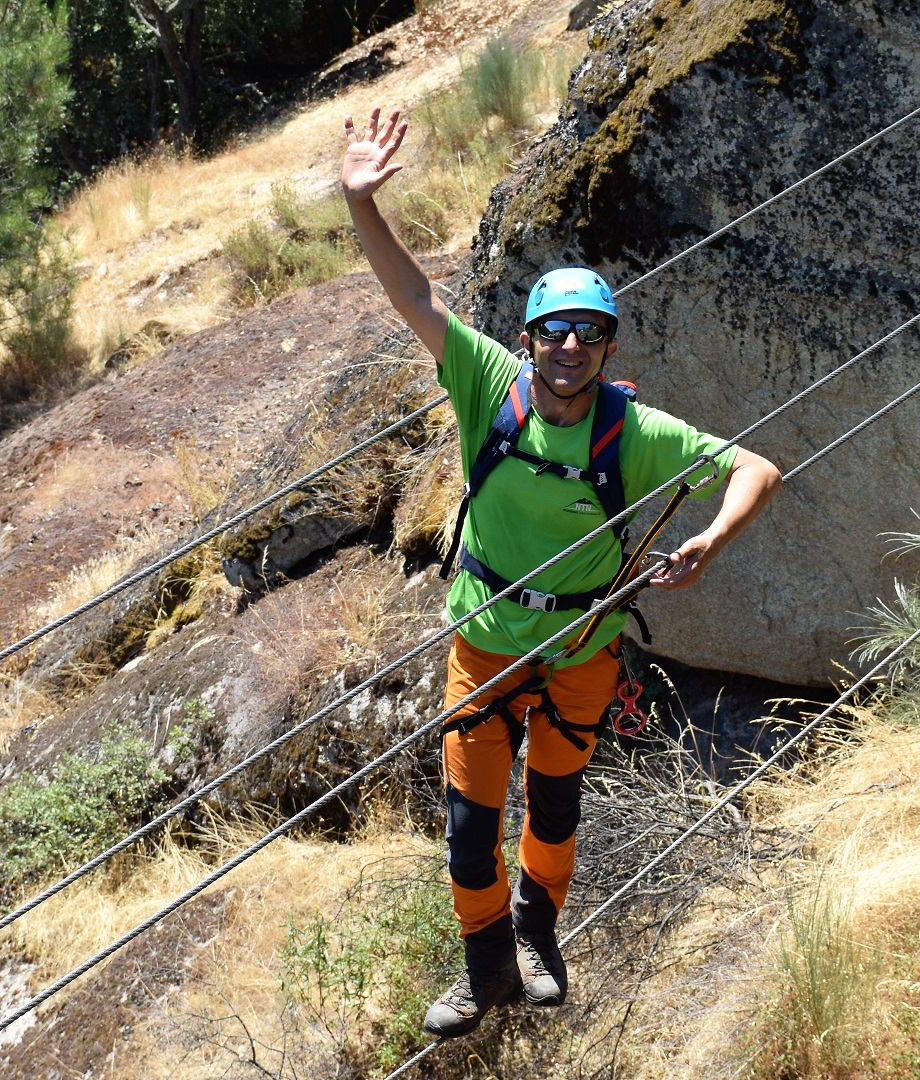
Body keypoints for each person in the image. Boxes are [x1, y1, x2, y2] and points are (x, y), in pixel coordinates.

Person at [341, 107, 784, 1037]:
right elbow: (417, 300)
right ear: (531, 337)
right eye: (554, 331)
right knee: (469, 827)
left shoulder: (634, 430)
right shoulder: (487, 387)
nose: (569, 347)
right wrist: (361, 204)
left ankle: (539, 941)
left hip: (583, 646)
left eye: (588, 332)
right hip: (487, 642)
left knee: (552, 804)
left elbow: (757, 469)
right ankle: (484, 969)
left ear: (609, 347)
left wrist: (711, 541)